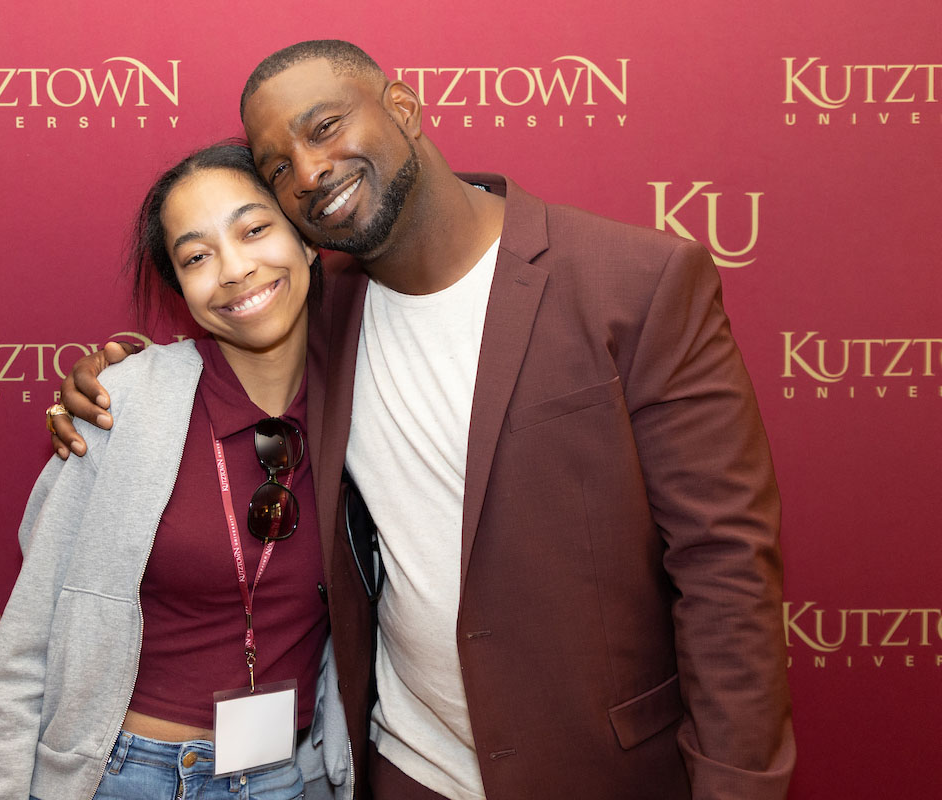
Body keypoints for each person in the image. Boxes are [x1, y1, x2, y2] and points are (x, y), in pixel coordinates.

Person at [51, 40, 795, 800]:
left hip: (597, 772)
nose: (308, 173)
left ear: (403, 108)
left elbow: (724, 567)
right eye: (278, 167)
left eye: (324, 127)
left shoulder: (634, 283)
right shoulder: (326, 312)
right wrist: (125, 380)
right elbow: (230, 361)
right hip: (404, 769)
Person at [0, 142, 353, 800]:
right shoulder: (123, 405)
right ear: (181, 289)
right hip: (128, 774)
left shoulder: (364, 403)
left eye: (255, 230)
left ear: (308, 239)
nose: (234, 269)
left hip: (285, 776)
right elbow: (30, 638)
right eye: (196, 256)